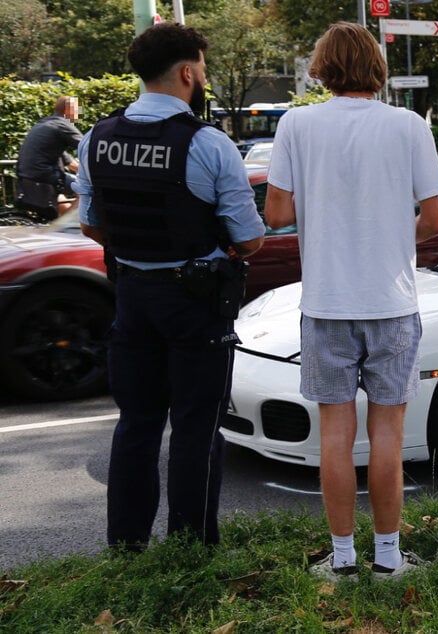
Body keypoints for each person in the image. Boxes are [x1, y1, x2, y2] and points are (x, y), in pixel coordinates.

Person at [264, 21, 438, 581]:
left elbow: (275, 215)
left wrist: (325, 213)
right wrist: (389, 236)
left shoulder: (297, 123)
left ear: (322, 67)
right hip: (391, 304)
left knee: (336, 436)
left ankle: (342, 559)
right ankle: (389, 558)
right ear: (376, 67)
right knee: (388, 435)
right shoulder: (409, 126)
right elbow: (434, 220)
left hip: (325, 305)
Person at [74, 22, 265, 551]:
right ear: (187, 72)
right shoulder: (208, 143)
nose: (202, 77)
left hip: (131, 299)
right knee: (196, 428)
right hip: (194, 303)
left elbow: (91, 225)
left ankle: (127, 546)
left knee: (135, 424)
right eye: (202, 68)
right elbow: (249, 241)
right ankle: (190, 548)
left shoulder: (98, 136)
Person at [16, 95, 84, 215]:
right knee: (87, 189)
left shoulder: (46, 124)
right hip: (44, 175)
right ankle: (66, 225)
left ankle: (61, 226)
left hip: (27, 174)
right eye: (78, 109)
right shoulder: (63, 125)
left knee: (63, 200)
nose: (79, 113)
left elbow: (69, 162)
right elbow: (88, 147)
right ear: (69, 110)